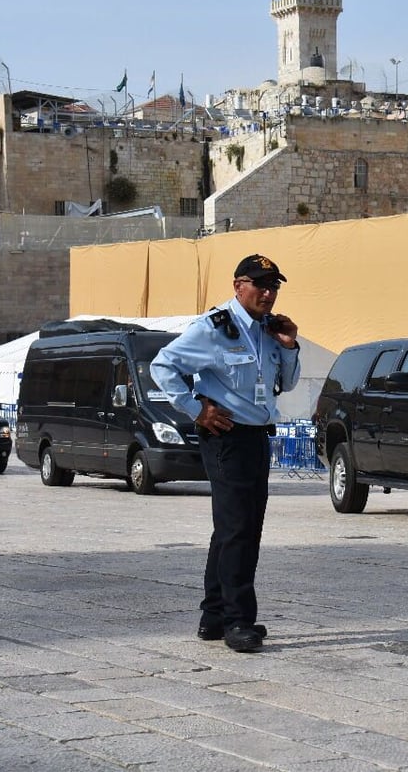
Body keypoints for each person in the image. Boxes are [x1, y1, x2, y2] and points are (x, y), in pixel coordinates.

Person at [150, 253, 300, 653]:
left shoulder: (269, 330)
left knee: (238, 528)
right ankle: (238, 620)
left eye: (274, 287)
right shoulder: (214, 328)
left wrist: (289, 346)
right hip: (226, 437)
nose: (268, 293)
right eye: (260, 285)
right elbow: (163, 365)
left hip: (256, 437)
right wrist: (196, 408)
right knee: (238, 529)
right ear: (238, 286)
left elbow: (286, 381)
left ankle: (214, 616)